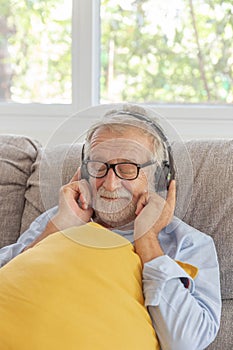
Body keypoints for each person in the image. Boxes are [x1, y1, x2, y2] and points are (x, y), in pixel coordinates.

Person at [0, 104, 221, 349]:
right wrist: (59, 227)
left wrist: (147, 241)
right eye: (98, 167)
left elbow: (187, 342)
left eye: (128, 169)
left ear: (158, 177)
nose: (111, 183)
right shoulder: (59, 218)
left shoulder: (188, 244)